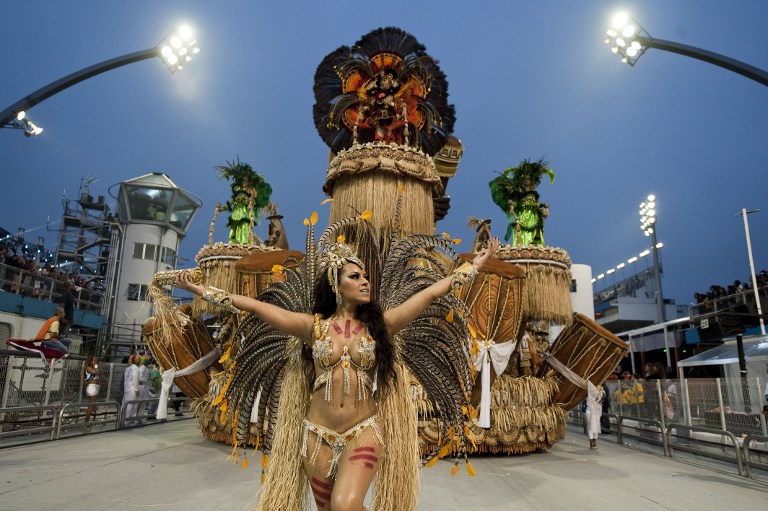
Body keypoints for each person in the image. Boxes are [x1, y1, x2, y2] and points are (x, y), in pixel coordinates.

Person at [176, 236, 500, 511]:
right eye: (355, 277)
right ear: (336, 284)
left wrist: (476, 266)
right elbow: (256, 307)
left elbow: (429, 293)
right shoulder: (312, 328)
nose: (365, 282)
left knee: (345, 504)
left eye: (365, 276)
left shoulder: (380, 326)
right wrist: (201, 290)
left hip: (364, 430)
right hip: (316, 434)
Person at [585, 382, 605, 449]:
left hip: (597, 410)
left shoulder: (601, 389)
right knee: (590, 425)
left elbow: (603, 399)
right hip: (588, 409)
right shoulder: (587, 387)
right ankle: (591, 442)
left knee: (597, 424)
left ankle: (595, 441)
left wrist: (600, 393)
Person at [83, 356, 100, 430]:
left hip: (96, 386)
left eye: (96, 360)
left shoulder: (95, 367)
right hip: (92, 387)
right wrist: (96, 365)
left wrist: (96, 366)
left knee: (93, 406)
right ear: (90, 361)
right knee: (91, 406)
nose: (96, 361)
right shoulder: (88, 368)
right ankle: (85, 423)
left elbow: (98, 372)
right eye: (94, 360)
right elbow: (96, 372)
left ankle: (88, 421)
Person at [123, 354, 141, 424]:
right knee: (131, 404)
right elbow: (135, 379)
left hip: (126, 388)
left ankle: (124, 418)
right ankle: (128, 420)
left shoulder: (127, 368)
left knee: (125, 404)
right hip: (132, 388)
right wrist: (136, 389)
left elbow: (126, 379)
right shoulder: (136, 368)